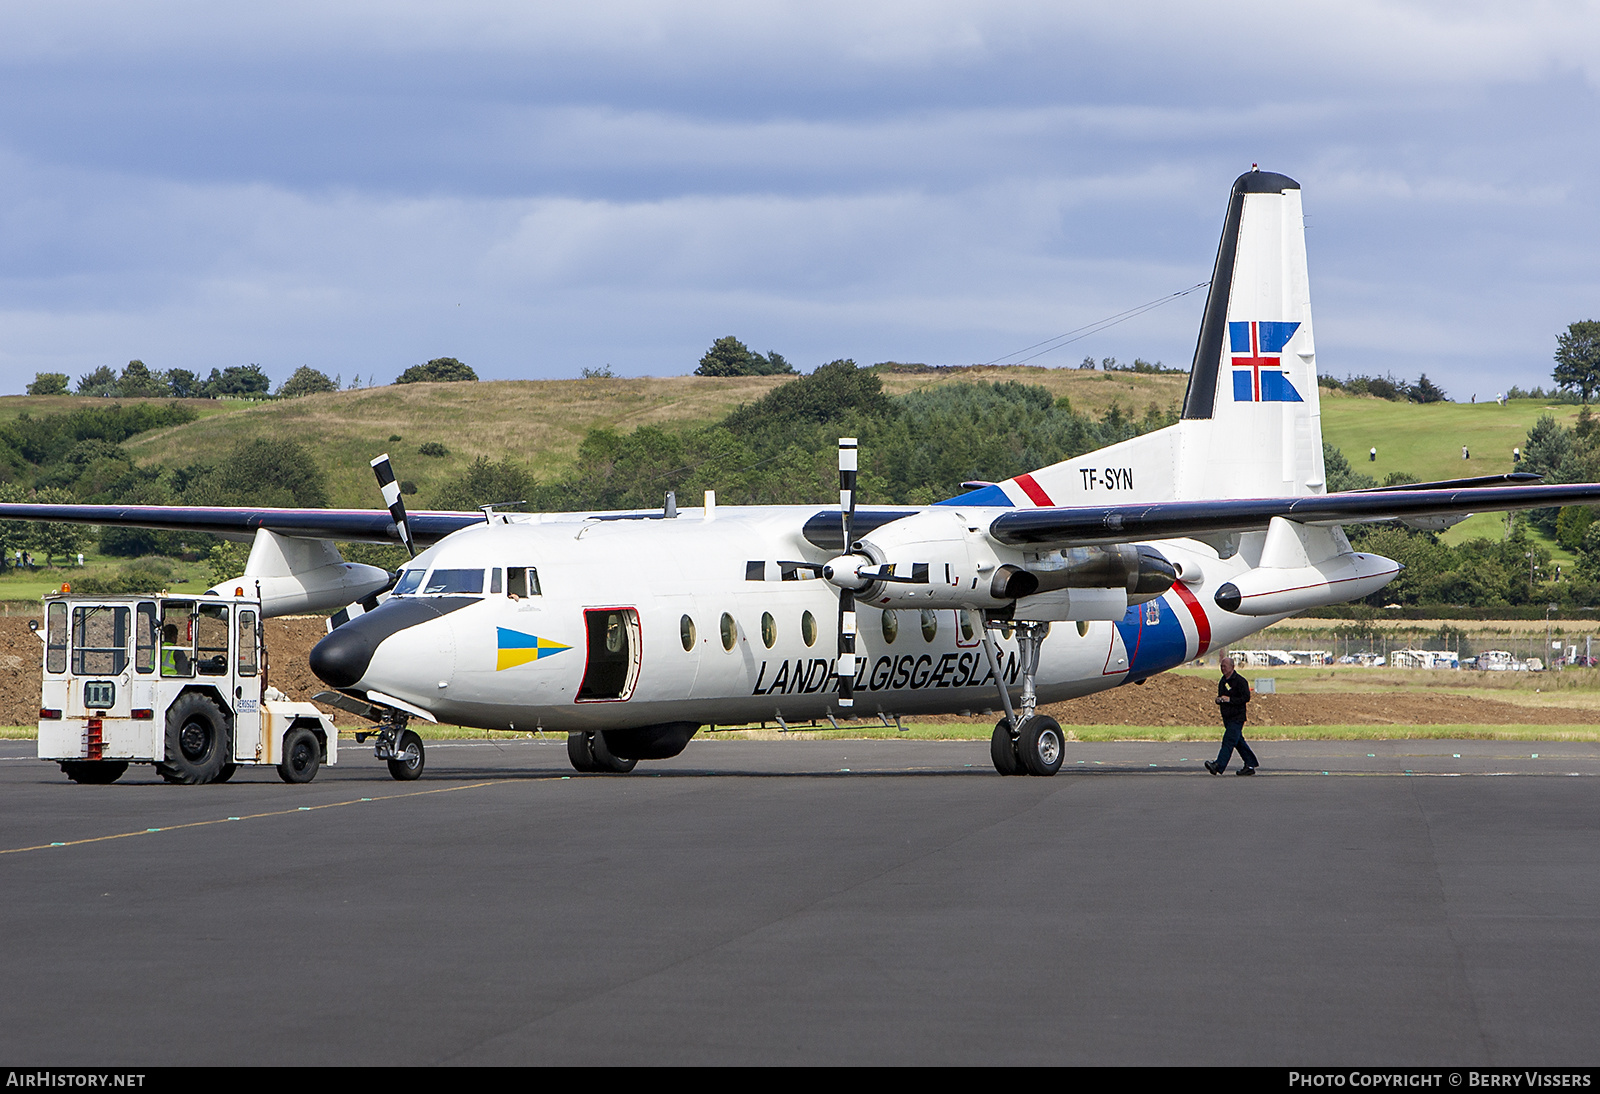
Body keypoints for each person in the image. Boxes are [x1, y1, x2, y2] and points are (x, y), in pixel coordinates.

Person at [1206, 655, 1257, 775]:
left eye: (1225, 666)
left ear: (1232, 667)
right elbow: (1221, 696)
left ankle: (1218, 765)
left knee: (1228, 741)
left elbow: (1246, 698)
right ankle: (1250, 764)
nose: (1223, 668)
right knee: (1238, 742)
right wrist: (1219, 700)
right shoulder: (1223, 681)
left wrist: (1230, 700)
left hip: (1237, 717)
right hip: (1227, 718)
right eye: (1221, 666)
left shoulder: (1240, 681)